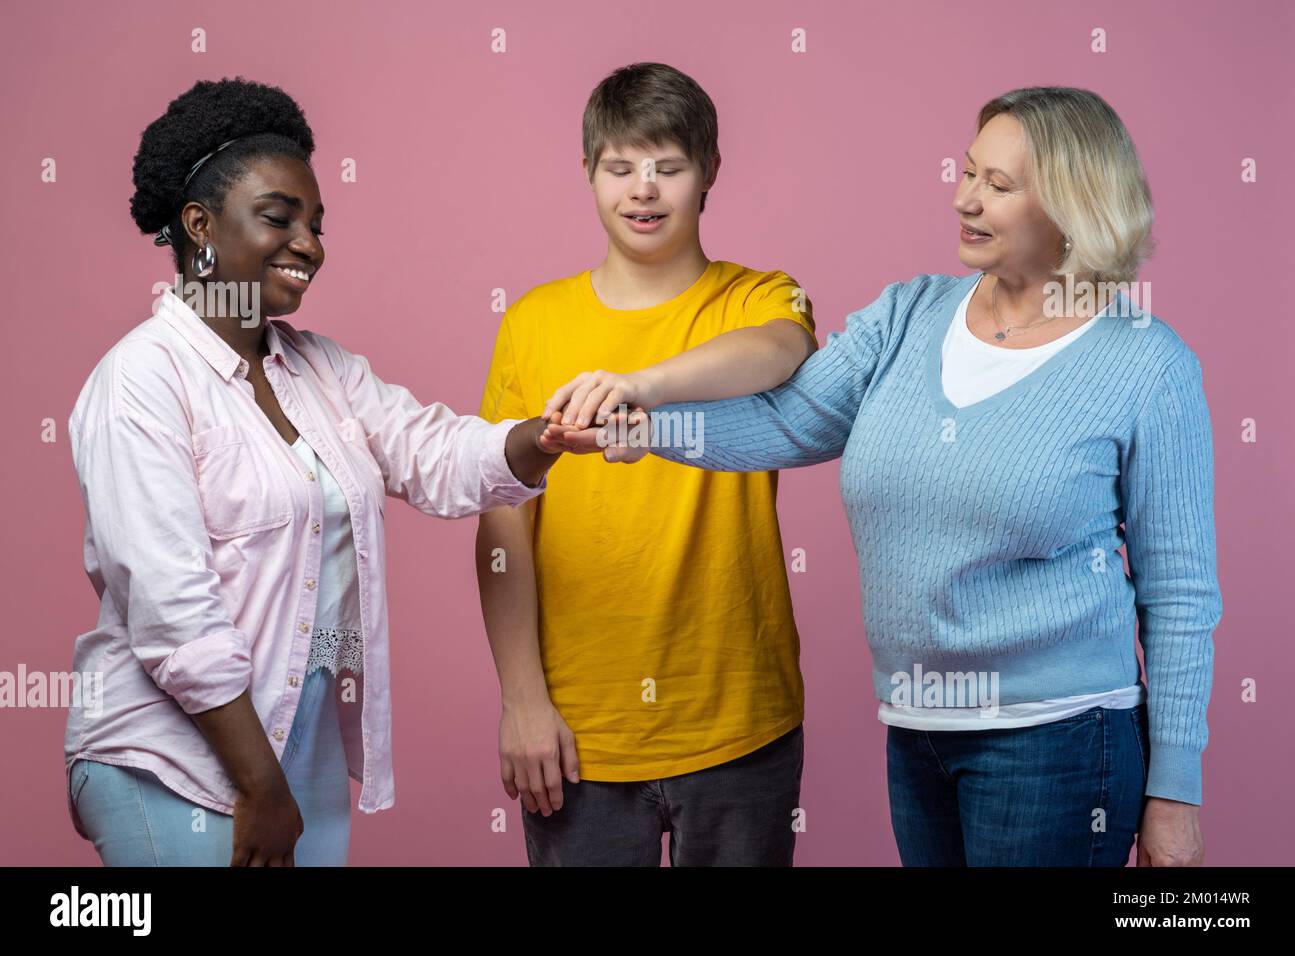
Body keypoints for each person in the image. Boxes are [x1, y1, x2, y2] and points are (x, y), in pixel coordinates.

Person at [548, 87, 1222, 867]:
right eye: (968, 172)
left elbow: (1180, 593)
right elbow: (786, 421)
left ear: (1076, 202)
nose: (964, 198)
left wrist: (1175, 791)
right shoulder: (908, 315)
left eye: (997, 186)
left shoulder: (1145, 361)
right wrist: (640, 425)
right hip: (920, 729)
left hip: (1059, 737)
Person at [65, 77, 564, 866]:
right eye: (279, 218)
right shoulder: (141, 382)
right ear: (199, 226)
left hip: (303, 747)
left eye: (317, 223)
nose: (310, 244)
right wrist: (261, 788)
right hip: (179, 757)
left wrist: (552, 434)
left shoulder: (320, 369)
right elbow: (171, 613)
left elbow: (433, 454)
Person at [475, 62, 818, 866]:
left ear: (709, 175)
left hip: (740, 719)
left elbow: (782, 350)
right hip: (579, 731)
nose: (644, 190)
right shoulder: (532, 322)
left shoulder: (758, 298)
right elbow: (501, 526)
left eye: (669, 167)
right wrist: (522, 702)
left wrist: (644, 386)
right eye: (621, 166)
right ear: (589, 173)